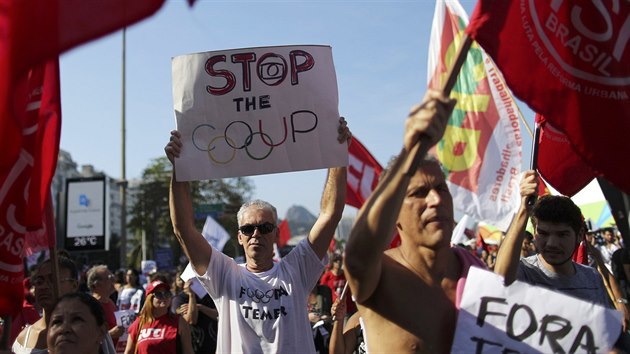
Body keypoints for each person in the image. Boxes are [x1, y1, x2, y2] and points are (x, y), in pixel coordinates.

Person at [165, 117, 350, 353]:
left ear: (275, 235)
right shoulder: (224, 275)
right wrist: (179, 168)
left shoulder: (296, 270)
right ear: (239, 237)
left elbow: (330, 214)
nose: (256, 234)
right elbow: (183, 229)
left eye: (264, 228)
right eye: (247, 229)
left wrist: (338, 155)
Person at [343, 90, 486, 353]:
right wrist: (409, 154)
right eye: (419, 192)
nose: (435, 200)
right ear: (393, 214)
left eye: (441, 189)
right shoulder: (379, 276)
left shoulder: (476, 274)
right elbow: (357, 256)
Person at [494, 170, 611, 307]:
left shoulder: (592, 278)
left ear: (579, 235)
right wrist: (524, 209)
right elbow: (500, 279)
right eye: (543, 233)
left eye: (562, 235)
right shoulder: (525, 273)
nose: (552, 243)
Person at [12, 256, 79, 354]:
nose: (43, 286)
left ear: (74, 285)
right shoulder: (23, 339)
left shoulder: (89, 333)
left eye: (53, 280)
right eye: (39, 281)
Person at [124, 280, 193, 354]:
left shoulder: (179, 322)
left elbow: (188, 351)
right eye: (158, 294)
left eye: (167, 293)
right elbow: (128, 351)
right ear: (149, 299)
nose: (164, 297)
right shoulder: (139, 323)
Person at [171, 278, 218, 354]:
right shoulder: (179, 299)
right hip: (195, 347)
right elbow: (191, 320)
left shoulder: (210, 295)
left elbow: (219, 316)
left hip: (214, 346)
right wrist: (191, 295)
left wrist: (200, 307)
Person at [87, 265, 124, 345]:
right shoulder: (91, 306)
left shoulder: (109, 301)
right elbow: (88, 338)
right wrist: (111, 335)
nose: (114, 280)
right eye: (109, 278)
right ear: (97, 284)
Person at [319, 254, 356, 319]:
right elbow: (322, 294)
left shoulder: (346, 274)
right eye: (336, 261)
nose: (338, 263)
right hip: (333, 309)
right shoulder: (327, 277)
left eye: (340, 260)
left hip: (348, 308)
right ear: (332, 262)